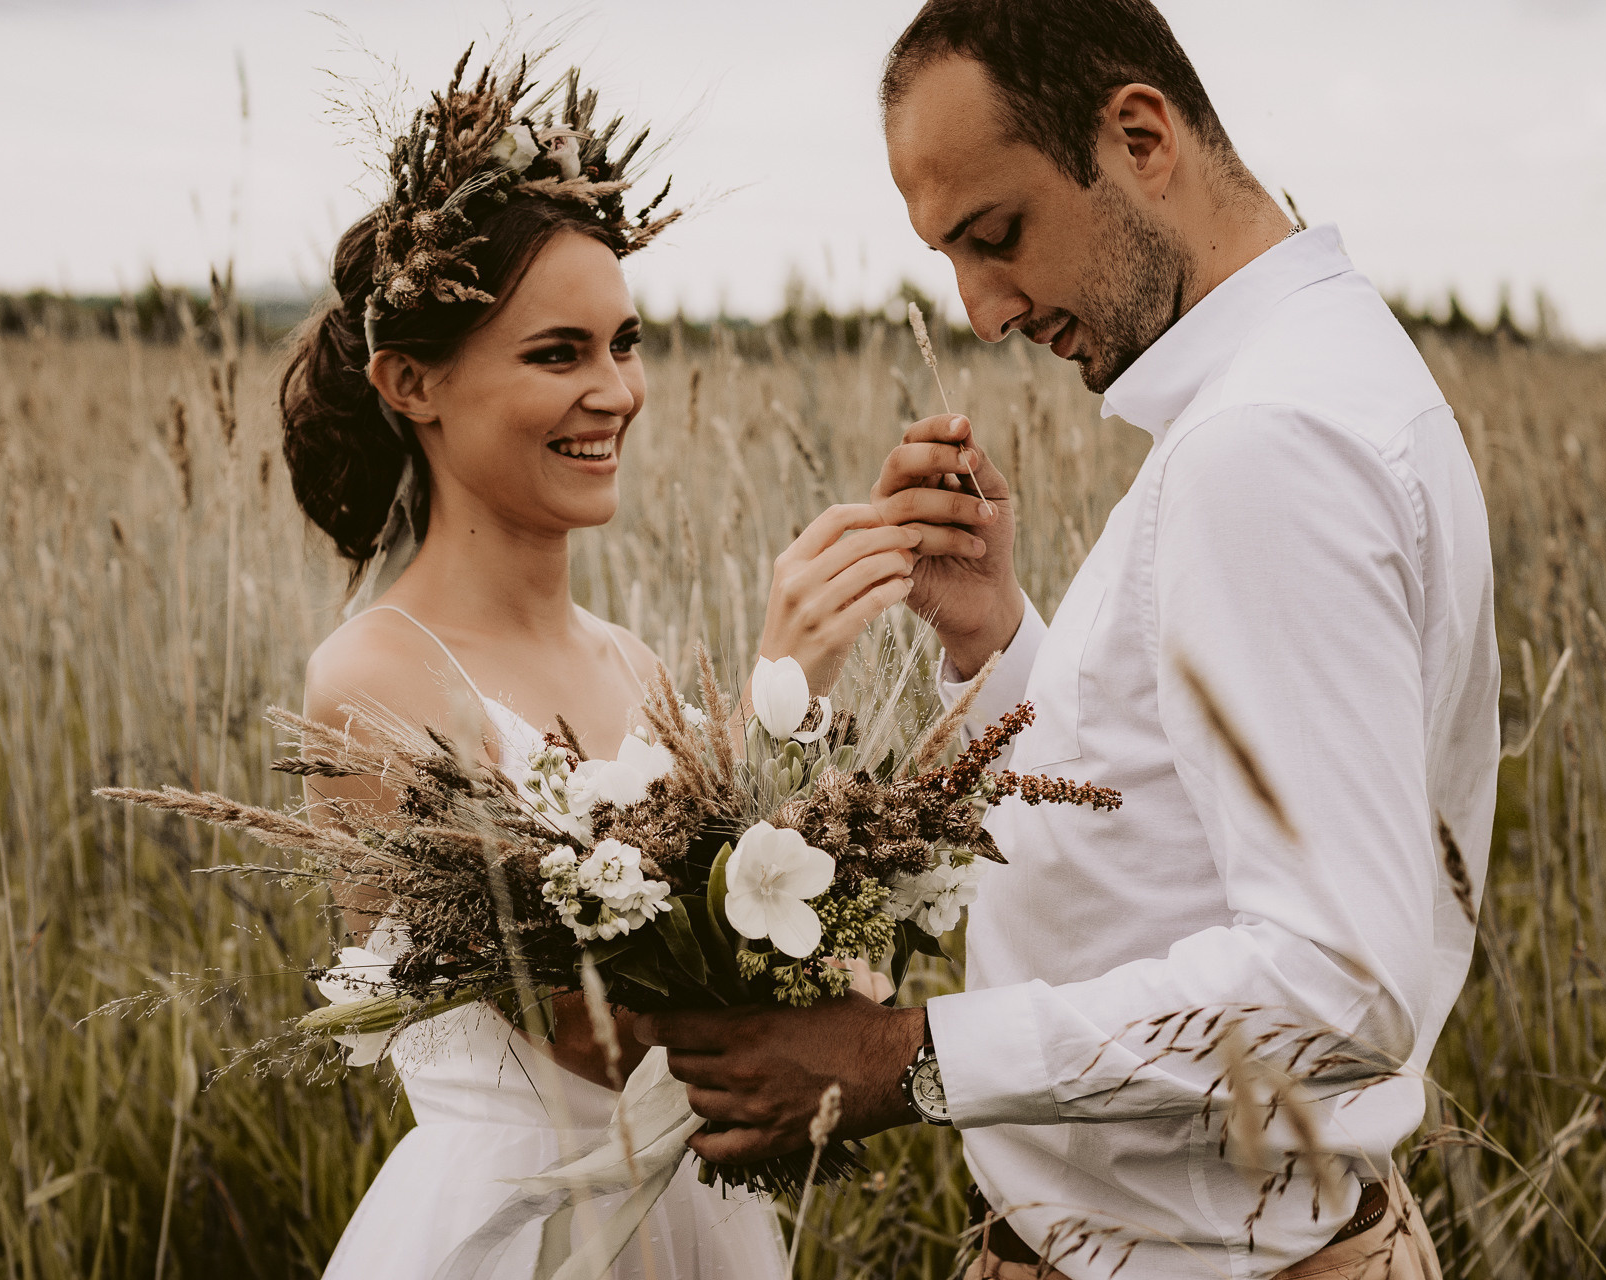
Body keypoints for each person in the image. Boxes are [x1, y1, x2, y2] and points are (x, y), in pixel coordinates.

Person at [634, 2, 1501, 1277]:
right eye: (951, 256)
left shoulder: (1264, 443)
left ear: (1140, 137)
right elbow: (1160, 822)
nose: (983, 309)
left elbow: (1337, 984)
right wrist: (994, 637)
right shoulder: (1302, 381)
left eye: (997, 235)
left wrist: (906, 1056)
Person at [280, 54, 917, 1279]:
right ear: (412, 382)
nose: (615, 391)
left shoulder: (633, 661)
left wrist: (848, 945)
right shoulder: (374, 679)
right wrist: (779, 700)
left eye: (624, 342)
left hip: (694, 1222)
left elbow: (798, 981)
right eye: (557, 352)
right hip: (521, 1235)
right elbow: (598, 1033)